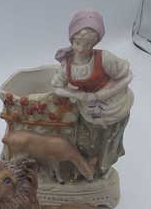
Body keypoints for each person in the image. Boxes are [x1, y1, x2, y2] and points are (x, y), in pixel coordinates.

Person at [51, 10, 134, 177]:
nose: (81, 49)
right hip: (88, 108)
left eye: (87, 45)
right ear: (71, 39)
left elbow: (127, 76)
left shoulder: (105, 58)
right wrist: (77, 95)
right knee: (87, 139)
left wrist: (107, 92)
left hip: (114, 107)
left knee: (109, 138)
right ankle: (87, 166)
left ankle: (105, 167)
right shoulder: (67, 65)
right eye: (77, 43)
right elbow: (57, 87)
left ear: (94, 43)